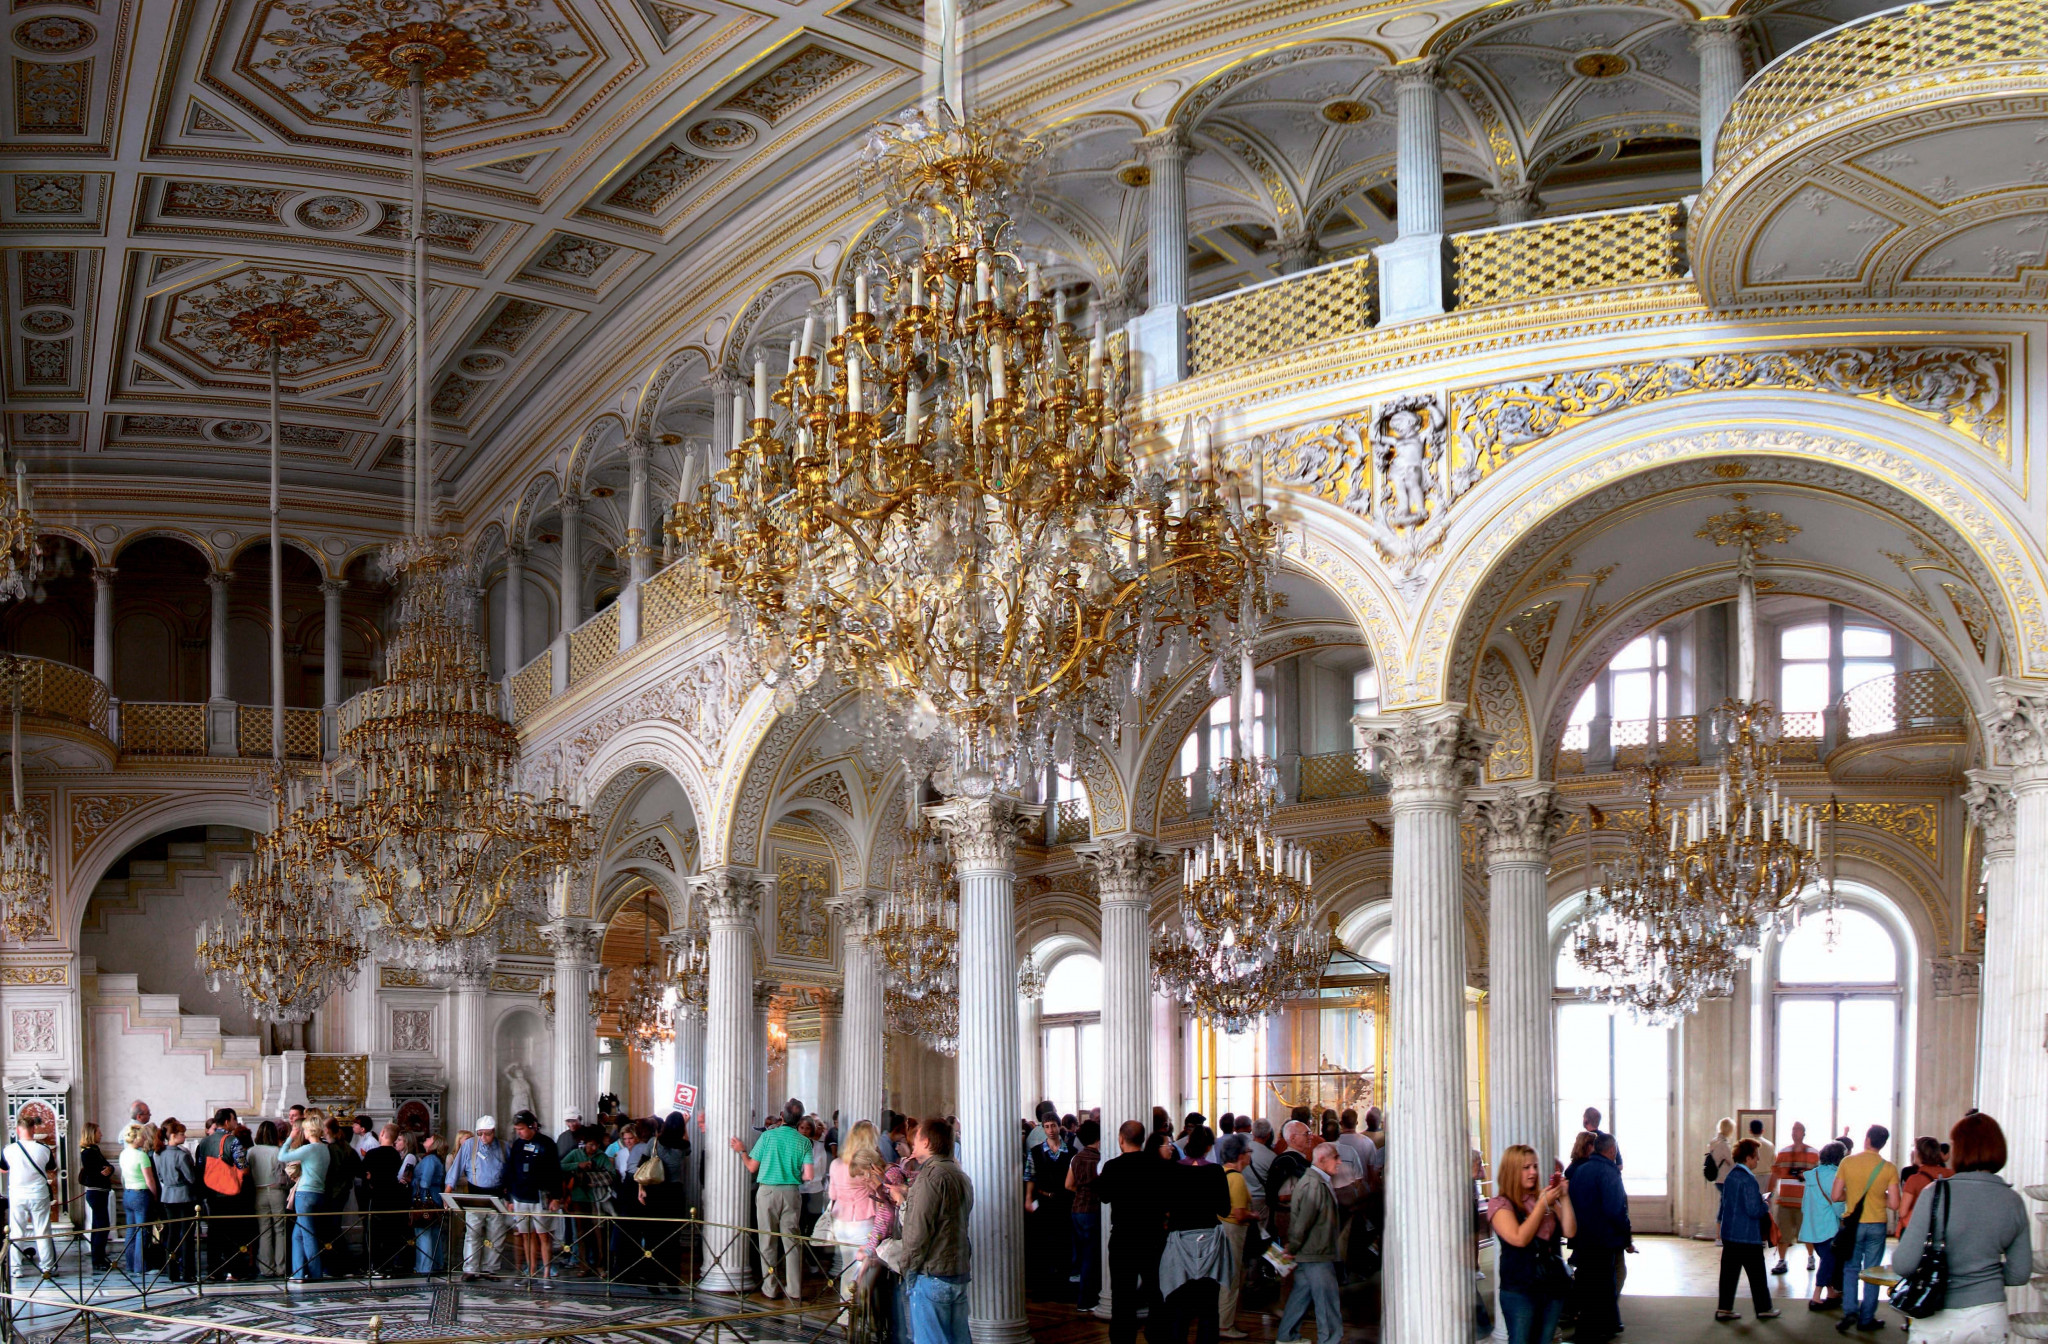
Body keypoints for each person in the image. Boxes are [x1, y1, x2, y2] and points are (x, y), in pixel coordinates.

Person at [1892, 1112, 2032, 1343]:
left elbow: (1903, 1264)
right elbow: (2019, 1274)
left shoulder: (1935, 1194)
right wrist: (1984, 1273)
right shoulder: (2013, 1201)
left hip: (1937, 1315)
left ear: (1960, 1149)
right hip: (1989, 1315)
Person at [894, 1116, 972, 1344]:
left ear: (926, 1142)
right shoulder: (960, 1175)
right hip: (957, 1271)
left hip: (932, 1273)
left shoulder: (930, 1177)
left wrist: (907, 1270)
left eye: (916, 1139)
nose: (913, 1143)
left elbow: (917, 1233)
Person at [1490, 1143, 1577, 1344]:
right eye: (1526, 1167)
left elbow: (1570, 1231)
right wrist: (1541, 1205)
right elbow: (1519, 1239)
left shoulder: (1542, 1197)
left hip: (1552, 1284)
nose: (1533, 1172)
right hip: (1520, 1288)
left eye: (1535, 1166)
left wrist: (1564, 1197)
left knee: (1544, 1340)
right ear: (1512, 1171)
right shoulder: (1501, 1204)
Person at [730, 1105, 814, 1301]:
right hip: (791, 1192)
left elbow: (752, 1167)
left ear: (782, 1115)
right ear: (800, 1119)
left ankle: (770, 1288)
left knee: (767, 1241)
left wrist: (742, 1151)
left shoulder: (767, 1136)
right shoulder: (804, 1141)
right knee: (792, 1242)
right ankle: (794, 1290)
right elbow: (809, 1175)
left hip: (767, 1192)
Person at [1095, 1120, 1168, 1344]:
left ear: (1121, 1139)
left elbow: (1104, 1196)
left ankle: (1122, 1338)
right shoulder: (1158, 1165)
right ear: (1144, 1139)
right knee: (1155, 1290)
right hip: (1153, 1236)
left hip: (1123, 1238)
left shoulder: (1112, 1167)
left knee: (1122, 1294)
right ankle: (1157, 1335)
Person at [1830, 1124, 1899, 1335]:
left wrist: (1852, 1195)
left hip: (1854, 1225)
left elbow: (1835, 1195)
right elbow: (1895, 1204)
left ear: (1867, 1139)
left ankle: (1850, 1311)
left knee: (1851, 1268)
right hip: (1877, 1224)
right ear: (1883, 1144)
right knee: (1872, 1271)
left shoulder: (1847, 1162)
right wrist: (1879, 1196)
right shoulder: (1888, 1168)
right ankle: (1867, 1318)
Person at [1273, 1141, 1344, 1344]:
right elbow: (1303, 1222)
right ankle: (1329, 1340)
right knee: (1327, 1302)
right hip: (1316, 1253)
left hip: (1311, 1251)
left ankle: (1287, 1336)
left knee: (1300, 1296)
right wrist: (1293, 1246)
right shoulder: (1314, 1184)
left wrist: (1295, 1246)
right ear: (1321, 1159)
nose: (1339, 1162)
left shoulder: (1316, 1181)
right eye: (1336, 1157)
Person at [1567, 1134, 1631, 1344]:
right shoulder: (1609, 1172)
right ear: (1612, 1150)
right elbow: (1616, 1210)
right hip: (1604, 1239)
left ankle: (1603, 1325)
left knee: (1590, 1282)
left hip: (1583, 1237)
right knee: (1604, 1283)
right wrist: (1626, 1237)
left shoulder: (1580, 1170)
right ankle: (1599, 1328)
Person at [1714, 1138, 1781, 1322]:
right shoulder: (1749, 1179)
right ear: (1748, 1157)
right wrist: (1765, 1204)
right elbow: (1753, 1210)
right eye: (1756, 1156)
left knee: (1728, 1275)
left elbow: (1726, 1204)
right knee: (1757, 1275)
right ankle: (1764, 1308)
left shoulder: (1731, 1176)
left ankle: (1724, 1309)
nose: (1758, 1159)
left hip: (1730, 1234)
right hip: (1747, 1235)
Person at [447, 1116, 511, 1280]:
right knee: (473, 1232)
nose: (483, 1137)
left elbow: (511, 1172)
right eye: (480, 1133)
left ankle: (490, 1269)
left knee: (496, 1234)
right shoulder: (470, 1145)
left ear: (493, 1132)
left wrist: (510, 1196)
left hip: (496, 1195)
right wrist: (448, 1191)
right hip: (475, 1195)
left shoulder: (503, 1146)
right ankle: (470, 1268)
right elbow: (456, 1168)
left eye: (487, 1134)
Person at [505, 1111, 563, 1284]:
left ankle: (546, 1273)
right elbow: (511, 1171)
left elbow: (555, 1171)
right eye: (517, 1129)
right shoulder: (517, 1145)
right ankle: (531, 1272)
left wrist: (556, 1197)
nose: (519, 1132)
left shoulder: (547, 1143)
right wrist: (509, 1197)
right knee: (526, 1235)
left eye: (522, 1129)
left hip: (541, 1196)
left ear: (532, 1126)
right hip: (521, 1196)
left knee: (544, 1235)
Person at [1025, 1111, 1075, 1297]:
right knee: (1042, 1244)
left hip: (1064, 1201)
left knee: (1063, 1244)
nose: (1051, 1130)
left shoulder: (1071, 1151)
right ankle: (1043, 1287)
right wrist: (1028, 1198)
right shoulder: (1036, 1152)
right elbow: (1030, 1176)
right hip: (1044, 1200)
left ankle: (1062, 1287)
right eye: (1047, 1127)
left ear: (1059, 1126)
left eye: (1053, 1125)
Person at [1213, 1135, 1256, 1340]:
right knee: (1231, 1278)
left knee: (1223, 1276)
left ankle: (1220, 1320)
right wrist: (1254, 1215)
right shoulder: (1237, 1178)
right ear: (1240, 1155)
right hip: (1233, 1231)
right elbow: (1239, 1214)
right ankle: (1225, 1325)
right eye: (1249, 1152)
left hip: (1220, 1228)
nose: (1250, 1156)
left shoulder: (1220, 1172)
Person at [277, 1117, 330, 1283]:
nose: (304, 1132)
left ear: (310, 1130)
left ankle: (315, 1273)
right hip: (319, 1193)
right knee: (297, 1235)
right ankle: (298, 1273)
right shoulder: (325, 1149)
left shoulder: (309, 1149)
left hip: (305, 1194)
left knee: (308, 1235)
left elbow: (282, 1156)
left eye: (305, 1129)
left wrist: (290, 1138)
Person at [2, 1114, 55, 1280]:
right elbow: (51, 1168)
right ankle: (47, 1267)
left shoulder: (8, 1150)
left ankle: (16, 1269)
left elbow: (3, 1169)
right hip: (39, 1194)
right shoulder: (44, 1149)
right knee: (43, 1231)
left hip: (17, 1194)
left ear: (18, 1130)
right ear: (33, 1129)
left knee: (17, 1231)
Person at [1801, 1141, 1847, 1311]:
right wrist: (1843, 1216)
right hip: (1828, 1225)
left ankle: (1831, 1293)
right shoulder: (1834, 1176)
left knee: (1826, 1259)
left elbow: (1804, 1203)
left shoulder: (1813, 1174)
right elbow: (1838, 1203)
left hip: (1812, 1225)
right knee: (1829, 1260)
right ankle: (1816, 1296)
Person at [1769, 1121, 1820, 1274]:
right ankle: (1782, 1260)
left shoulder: (1813, 1153)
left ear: (1803, 1133)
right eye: (1793, 1130)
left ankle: (1811, 1257)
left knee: (1807, 1233)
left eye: (1797, 1130)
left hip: (1804, 1202)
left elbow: (1818, 1176)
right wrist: (1768, 1194)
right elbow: (1775, 1174)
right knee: (1783, 1233)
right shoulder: (1783, 1153)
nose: (1794, 1132)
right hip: (1785, 1200)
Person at [362, 1124, 413, 1277]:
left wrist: (370, 1177)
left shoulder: (373, 1153)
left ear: (382, 1133)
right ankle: (387, 1265)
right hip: (392, 1196)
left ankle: (375, 1266)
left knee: (374, 1233)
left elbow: (364, 1173)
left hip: (376, 1196)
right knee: (389, 1232)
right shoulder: (396, 1155)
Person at [154, 1118, 199, 1281]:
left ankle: (171, 1272)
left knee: (171, 1235)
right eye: (182, 1134)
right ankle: (188, 1272)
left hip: (167, 1195)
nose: (184, 1136)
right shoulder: (181, 1155)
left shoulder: (158, 1153)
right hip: (184, 1196)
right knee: (186, 1236)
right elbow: (191, 1178)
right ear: (173, 1135)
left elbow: (160, 1176)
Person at [1066, 1118, 1103, 1312]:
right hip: (1092, 1210)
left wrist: (1081, 1192)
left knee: (1081, 1254)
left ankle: (1080, 1296)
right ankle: (1086, 1300)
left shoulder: (1076, 1158)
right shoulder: (1100, 1159)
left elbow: (1068, 1185)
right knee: (1091, 1256)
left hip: (1076, 1210)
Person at [247, 1121, 287, 1279]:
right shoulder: (278, 1151)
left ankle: (266, 1268)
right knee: (280, 1230)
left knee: (264, 1231)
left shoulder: (251, 1151)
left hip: (258, 1192)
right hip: (276, 1191)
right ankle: (281, 1267)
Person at [118, 1122, 158, 1275]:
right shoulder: (141, 1155)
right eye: (142, 1137)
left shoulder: (123, 1154)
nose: (144, 1139)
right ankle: (141, 1266)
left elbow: (123, 1177)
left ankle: (130, 1264)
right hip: (141, 1194)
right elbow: (149, 1180)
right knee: (143, 1231)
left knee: (131, 1231)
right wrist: (155, 1195)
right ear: (136, 1138)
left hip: (128, 1193)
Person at [1897, 1135, 1952, 1231]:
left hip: (1920, 1229)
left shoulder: (1914, 1180)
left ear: (1919, 1154)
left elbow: (1902, 1212)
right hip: (1945, 1228)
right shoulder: (1951, 1174)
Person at [411, 1135, 447, 1276]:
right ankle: (437, 1264)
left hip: (426, 1199)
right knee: (434, 1233)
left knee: (424, 1233)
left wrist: (413, 1181)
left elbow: (425, 1181)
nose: (426, 1139)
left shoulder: (430, 1159)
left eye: (430, 1138)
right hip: (435, 1197)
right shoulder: (435, 1159)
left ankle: (424, 1267)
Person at [1707, 1117, 1736, 1203]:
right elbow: (1732, 1162)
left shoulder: (1713, 1142)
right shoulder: (1724, 1144)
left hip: (1717, 1177)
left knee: (1724, 1200)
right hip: (1724, 1177)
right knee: (1727, 1202)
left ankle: (1721, 1212)